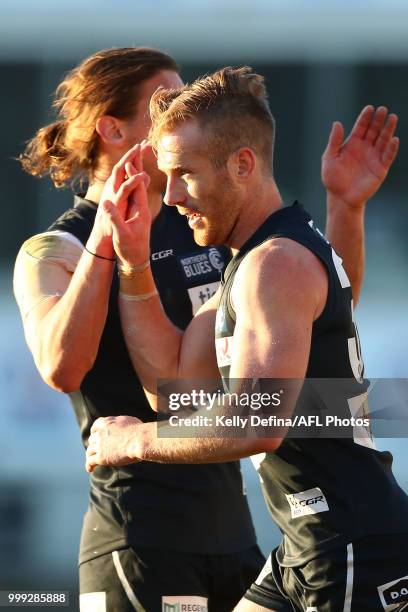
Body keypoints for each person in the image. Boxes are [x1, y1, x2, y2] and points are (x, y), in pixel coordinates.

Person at [85, 67, 408, 611]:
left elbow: (258, 420)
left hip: (350, 546)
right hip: (304, 549)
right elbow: (177, 389)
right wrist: (134, 264)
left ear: (242, 165)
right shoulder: (251, 262)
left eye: (184, 174)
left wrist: (133, 442)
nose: (173, 197)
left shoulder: (274, 265)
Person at [14, 48, 265, 612]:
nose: (180, 116)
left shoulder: (200, 224)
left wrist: (347, 209)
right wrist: (108, 240)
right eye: (162, 105)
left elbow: (308, 306)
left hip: (236, 540)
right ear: (112, 129)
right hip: (140, 541)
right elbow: (60, 367)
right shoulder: (57, 247)